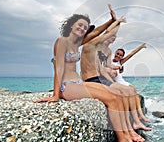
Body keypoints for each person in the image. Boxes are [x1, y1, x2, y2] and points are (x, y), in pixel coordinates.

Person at [34, 14, 137, 142]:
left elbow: (97, 32)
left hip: (78, 82)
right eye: (80, 25)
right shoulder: (62, 41)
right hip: (67, 86)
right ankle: (123, 139)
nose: (82, 29)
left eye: (85, 27)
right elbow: (59, 68)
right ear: (72, 25)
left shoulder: (77, 43)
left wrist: (112, 20)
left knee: (116, 94)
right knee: (111, 99)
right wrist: (56, 95)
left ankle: (127, 133)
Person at [80, 14, 152, 135]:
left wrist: (117, 22)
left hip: (98, 79)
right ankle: (129, 129)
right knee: (121, 93)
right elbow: (108, 32)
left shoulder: (95, 47)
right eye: (93, 34)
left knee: (128, 91)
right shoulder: (91, 45)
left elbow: (107, 33)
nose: (96, 35)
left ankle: (134, 123)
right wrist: (117, 21)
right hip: (93, 80)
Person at [100, 40, 150, 123]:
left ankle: (141, 114)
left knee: (135, 92)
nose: (118, 56)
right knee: (131, 92)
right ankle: (138, 116)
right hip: (117, 83)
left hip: (122, 81)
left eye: (120, 55)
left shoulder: (120, 62)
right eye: (117, 54)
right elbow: (107, 70)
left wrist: (141, 47)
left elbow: (131, 54)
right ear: (115, 53)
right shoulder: (108, 62)